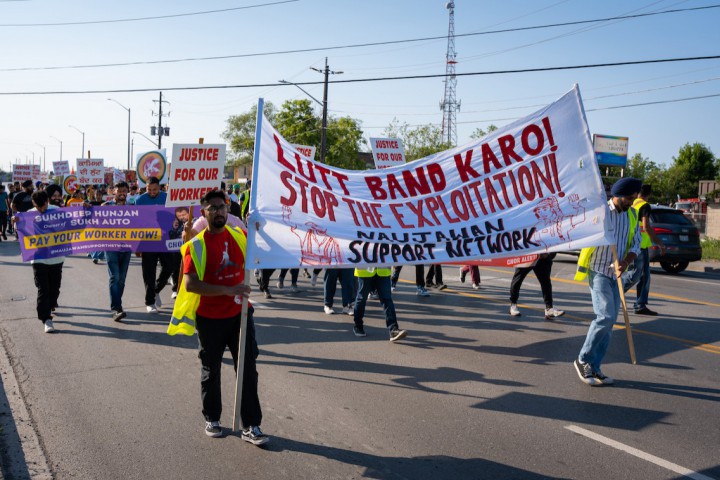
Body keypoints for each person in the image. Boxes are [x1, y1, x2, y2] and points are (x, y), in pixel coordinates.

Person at [171, 190, 268, 444]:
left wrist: (260, 225)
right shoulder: (196, 244)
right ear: (204, 212)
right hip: (210, 319)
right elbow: (191, 284)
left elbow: (263, 248)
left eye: (222, 206)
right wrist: (228, 290)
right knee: (210, 370)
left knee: (247, 370)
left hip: (241, 315)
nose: (219, 211)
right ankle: (212, 418)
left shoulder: (239, 235)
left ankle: (252, 425)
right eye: (212, 208)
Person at [574, 177, 642, 386]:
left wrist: (626, 261)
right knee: (605, 316)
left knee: (610, 322)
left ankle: (595, 367)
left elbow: (636, 243)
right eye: (630, 198)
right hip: (599, 270)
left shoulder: (631, 214)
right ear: (619, 195)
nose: (632, 201)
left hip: (616, 274)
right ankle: (583, 360)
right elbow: (582, 229)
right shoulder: (601, 211)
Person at [15, 191, 65, 333]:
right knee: (43, 288)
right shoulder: (29, 214)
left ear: (48, 202)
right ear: (33, 204)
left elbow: (72, 224)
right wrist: (15, 221)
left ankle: (51, 303)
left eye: (43, 206)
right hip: (38, 258)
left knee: (54, 289)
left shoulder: (57, 211)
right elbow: (20, 230)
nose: (41, 210)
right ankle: (46, 319)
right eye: (38, 207)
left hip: (56, 257)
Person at [621, 184, 666, 315]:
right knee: (636, 275)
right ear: (649, 194)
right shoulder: (644, 205)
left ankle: (640, 305)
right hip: (639, 246)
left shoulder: (632, 203)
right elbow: (646, 226)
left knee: (644, 276)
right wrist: (659, 243)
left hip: (634, 244)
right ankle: (615, 292)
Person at [135, 176, 174, 313]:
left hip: (165, 239)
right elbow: (137, 223)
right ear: (145, 188)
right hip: (148, 240)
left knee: (169, 267)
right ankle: (150, 302)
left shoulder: (168, 198)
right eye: (149, 189)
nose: (151, 192)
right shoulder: (139, 200)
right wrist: (137, 245)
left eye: (154, 189)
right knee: (149, 272)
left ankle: (156, 290)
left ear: (160, 187)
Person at [103, 182, 133, 322]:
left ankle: (117, 304)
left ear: (127, 192)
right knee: (114, 277)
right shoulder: (106, 207)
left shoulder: (132, 208)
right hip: (111, 247)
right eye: (119, 190)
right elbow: (93, 219)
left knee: (121, 280)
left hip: (126, 248)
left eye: (124, 190)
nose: (122, 192)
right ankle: (116, 308)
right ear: (113, 191)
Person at [352, 267, 407, 342]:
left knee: (387, 299)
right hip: (365, 270)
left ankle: (393, 329)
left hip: (383, 271)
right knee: (361, 299)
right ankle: (358, 326)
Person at [508, 253, 565, 320]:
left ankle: (549, 308)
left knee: (546, 282)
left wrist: (549, 255)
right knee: (518, 280)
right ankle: (513, 304)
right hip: (528, 256)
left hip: (543, 258)